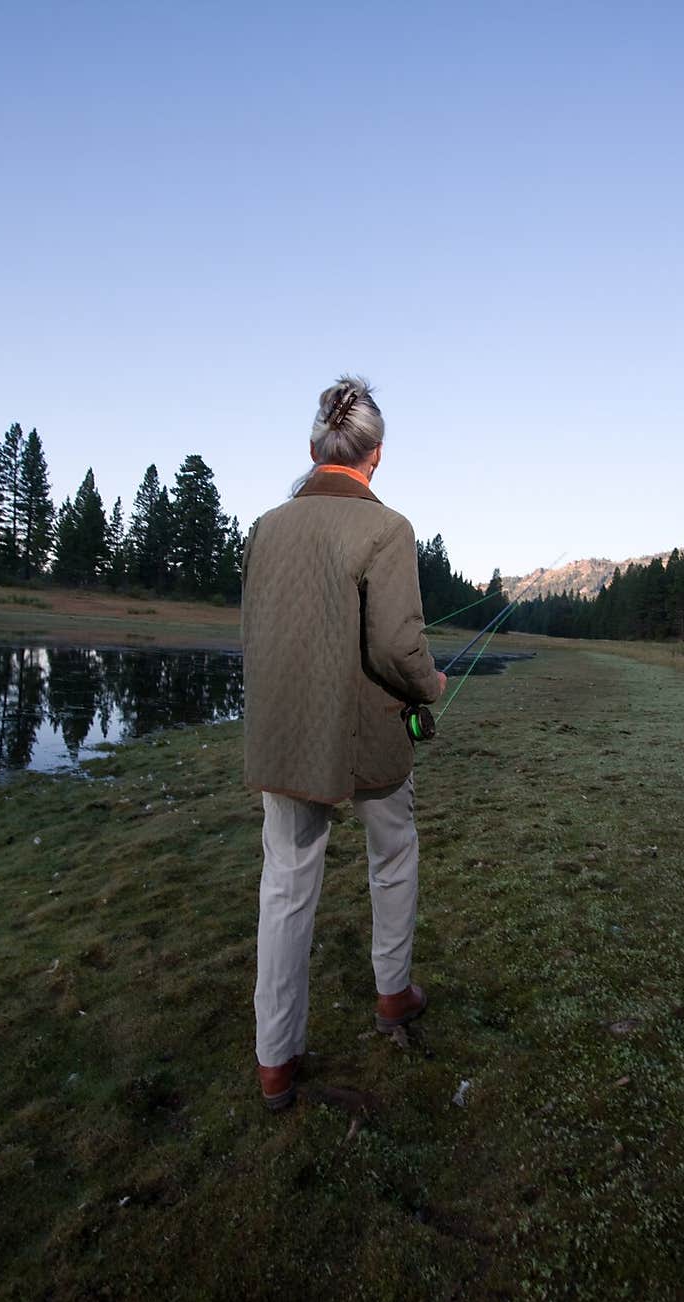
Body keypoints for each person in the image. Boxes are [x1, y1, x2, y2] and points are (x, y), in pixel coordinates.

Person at [241, 376, 447, 1110]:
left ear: (313, 449)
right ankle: (392, 995)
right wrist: (432, 687)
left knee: (285, 886)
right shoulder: (387, 529)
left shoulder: (265, 526)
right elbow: (398, 646)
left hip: (285, 737)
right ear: (376, 456)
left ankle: (276, 1061)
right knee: (393, 856)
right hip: (369, 737)